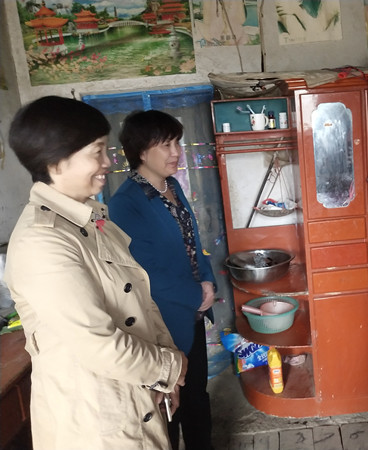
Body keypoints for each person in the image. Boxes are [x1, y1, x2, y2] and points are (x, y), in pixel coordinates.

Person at [5, 96, 187, 450]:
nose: (108, 162)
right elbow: (98, 344)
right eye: (97, 152)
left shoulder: (91, 220)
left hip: (137, 397)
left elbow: (141, 302)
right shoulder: (43, 240)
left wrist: (164, 378)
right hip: (97, 421)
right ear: (56, 161)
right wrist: (170, 366)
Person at [108, 110, 217, 450]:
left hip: (193, 311)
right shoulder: (125, 203)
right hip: (163, 320)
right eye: (166, 145)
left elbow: (193, 243)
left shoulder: (172, 187)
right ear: (141, 151)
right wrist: (196, 294)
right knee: (169, 404)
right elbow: (145, 271)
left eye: (177, 143)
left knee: (197, 393)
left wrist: (208, 281)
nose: (176, 152)